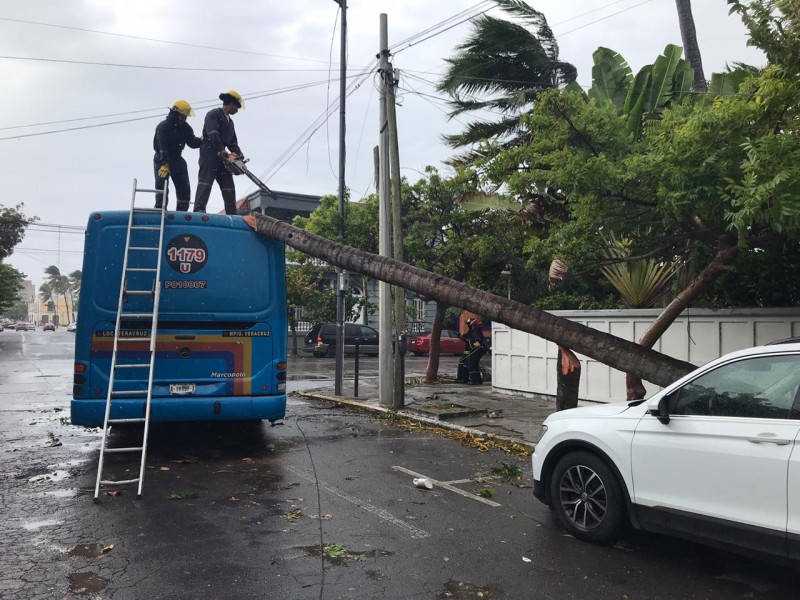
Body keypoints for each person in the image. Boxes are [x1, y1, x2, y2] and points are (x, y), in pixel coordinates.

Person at [194, 90, 245, 215]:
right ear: (232, 104)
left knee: (228, 185)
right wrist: (221, 149)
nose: (237, 111)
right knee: (205, 181)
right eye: (236, 107)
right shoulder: (213, 114)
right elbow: (213, 133)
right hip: (209, 153)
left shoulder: (230, 122)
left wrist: (238, 153)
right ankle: (199, 209)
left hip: (223, 157)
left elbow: (232, 141)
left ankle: (231, 212)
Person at [153, 100, 202, 211]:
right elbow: (162, 147)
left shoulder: (185, 128)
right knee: (162, 185)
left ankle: (182, 210)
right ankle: (160, 209)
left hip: (177, 158)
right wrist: (164, 164)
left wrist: (201, 140)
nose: (185, 118)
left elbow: (192, 142)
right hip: (161, 159)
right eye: (183, 116)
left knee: (183, 186)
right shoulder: (163, 127)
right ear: (175, 114)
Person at [461, 318, 487, 385]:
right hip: (475, 351)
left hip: (475, 351)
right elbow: (469, 337)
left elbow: (477, 340)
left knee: (471, 365)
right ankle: (477, 380)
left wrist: (477, 343)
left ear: (474, 325)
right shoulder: (474, 331)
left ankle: (474, 381)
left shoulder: (476, 331)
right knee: (474, 366)